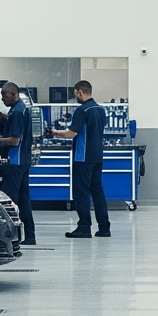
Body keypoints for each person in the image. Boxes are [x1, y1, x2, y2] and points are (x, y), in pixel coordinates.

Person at [48, 80, 109, 238]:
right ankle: (104, 228)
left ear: (79, 92)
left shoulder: (83, 110)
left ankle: (84, 227)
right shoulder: (100, 109)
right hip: (97, 156)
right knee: (97, 191)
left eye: (75, 94)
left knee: (81, 192)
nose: (75, 97)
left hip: (83, 157)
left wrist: (54, 132)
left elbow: (71, 133)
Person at [0, 82, 36, 246]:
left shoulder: (18, 112)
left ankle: (10, 238)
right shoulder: (19, 109)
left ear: (15, 94)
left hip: (15, 162)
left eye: (5, 95)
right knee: (24, 199)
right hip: (23, 162)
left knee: (9, 200)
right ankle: (30, 235)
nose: (2, 98)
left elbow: (14, 140)